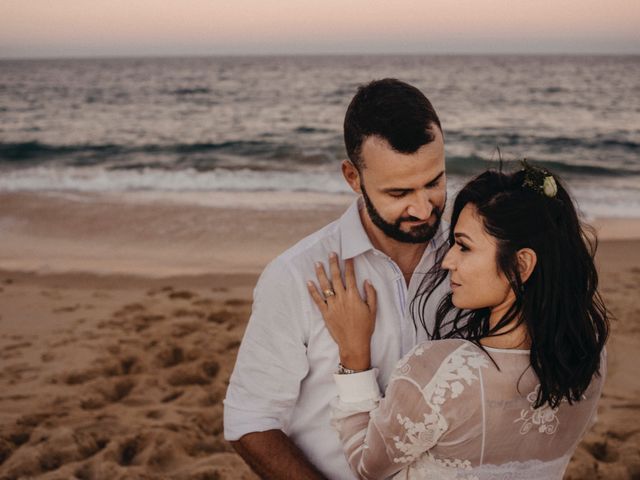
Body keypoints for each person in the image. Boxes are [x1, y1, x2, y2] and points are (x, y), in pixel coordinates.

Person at [307, 164, 609, 479]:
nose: (448, 260)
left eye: (464, 246)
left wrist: (354, 357)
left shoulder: (441, 371)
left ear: (521, 265)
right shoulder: (589, 356)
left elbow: (368, 467)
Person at [223, 78, 451, 479]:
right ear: (352, 177)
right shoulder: (294, 276)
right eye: (399, 193)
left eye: (434, 182)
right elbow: (249, 421)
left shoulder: (474, 259)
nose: (423, 207)